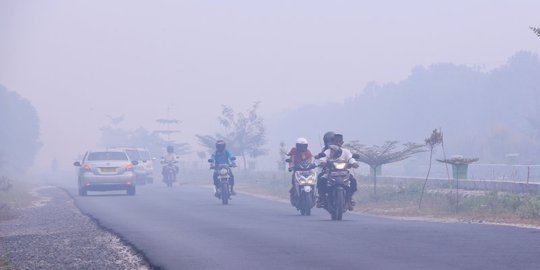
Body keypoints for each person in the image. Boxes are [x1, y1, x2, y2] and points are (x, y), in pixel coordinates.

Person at [319, 143, 359, 211]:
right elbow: (323, 158)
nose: (331, 152)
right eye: (336, 141)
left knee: (353, 181)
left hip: (344, 172)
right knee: (322, 179)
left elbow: (350, 158)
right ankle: (322, 198)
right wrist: (322, 162)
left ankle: (349, 200)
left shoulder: (346, 151)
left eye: (333, 151)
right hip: (330, 172)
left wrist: (354, 163)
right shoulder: (328, 151)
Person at [287, 138, 314, 202]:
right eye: (300, 146)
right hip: (297, 170)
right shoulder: (294, 151)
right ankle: (294, 192)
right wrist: (291, 166)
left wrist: (312, 165)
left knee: (312, 181)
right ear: (297, 146)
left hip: (307, 171)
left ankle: (313, 193)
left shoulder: (308, 152)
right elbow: (291, 159)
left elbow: (310, 161)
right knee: (294, 181)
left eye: (303, 146)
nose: (302, 148)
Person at [315, 131, 336, 207]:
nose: (330, 142)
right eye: (328, 140)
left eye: (332, 140)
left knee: (351, 179)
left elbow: (346, 156)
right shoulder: (324, 150)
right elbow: (321, 158)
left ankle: (349, 197)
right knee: (321, 178)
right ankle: (321, 197)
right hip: (328, 170)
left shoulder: (340, 149)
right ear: (325, 141)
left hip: (340, 171)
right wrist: (320, 159)